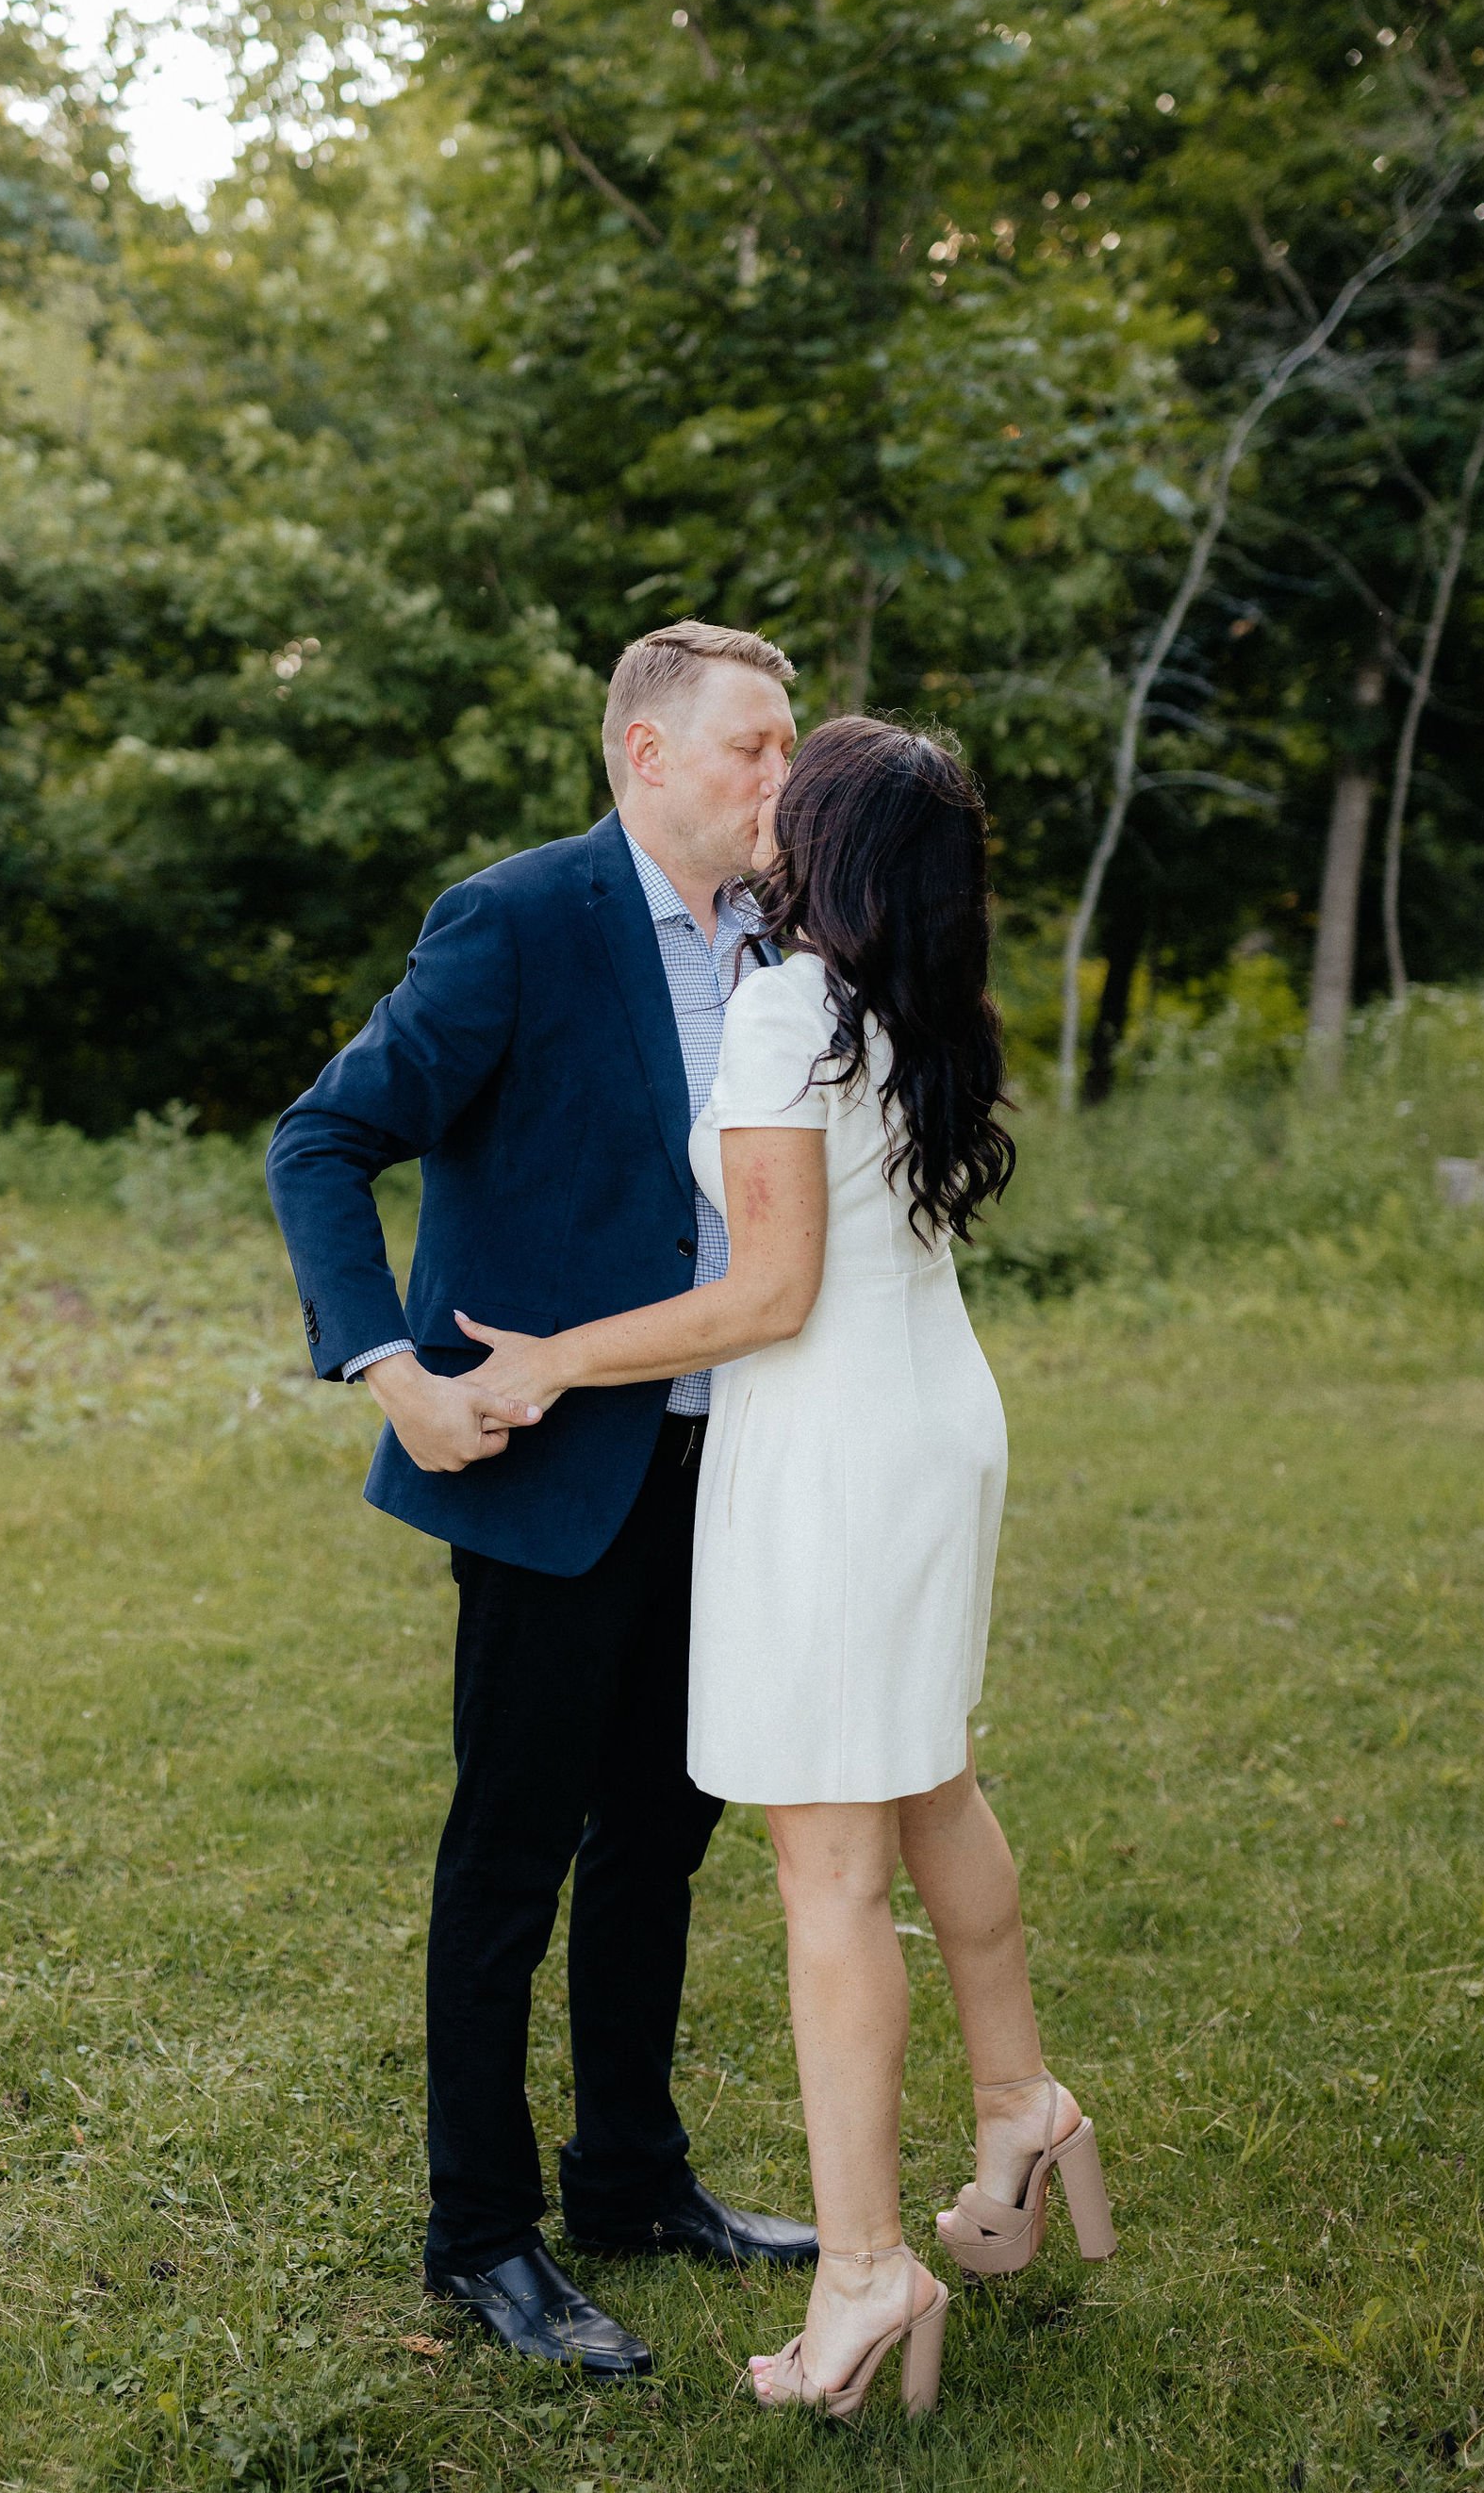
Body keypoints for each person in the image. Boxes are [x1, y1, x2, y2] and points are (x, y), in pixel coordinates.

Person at [458, 716, 1117, 2424]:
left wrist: (551, 1359)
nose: (763, 805)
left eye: (788, 787)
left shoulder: (780, 1005)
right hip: (935, 1425)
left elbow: (765, 1299)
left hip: (832, 1455)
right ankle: (1021, 2105)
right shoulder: (918, 1008)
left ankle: (863, 2271)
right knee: (933, 1781)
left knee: (828, 1873)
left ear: (824, 840)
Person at [263, 620, 818, 2382]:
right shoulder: (516, 918)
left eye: (793, 748)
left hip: (734, 1457)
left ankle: (632, 2182)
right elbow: (321, 1138)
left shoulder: (787, 940)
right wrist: (389, 1369)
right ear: (647, 757)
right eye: (754, 748)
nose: (779, 781)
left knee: (660, 1836)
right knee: (507, 1862)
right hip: (544, 1464)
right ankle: (480, 2236)